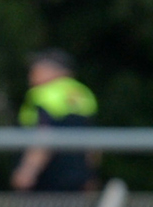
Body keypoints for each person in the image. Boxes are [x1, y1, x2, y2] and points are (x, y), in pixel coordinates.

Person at [10, 49, 98, 193]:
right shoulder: (84, 94)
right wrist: (91, 175)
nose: (30, 74)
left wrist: (27, 171)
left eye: (36, 69)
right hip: (78, 179)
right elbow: (92, 143)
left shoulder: (43, 94)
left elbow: (44, 136)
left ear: (54, 71)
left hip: (47, 179)